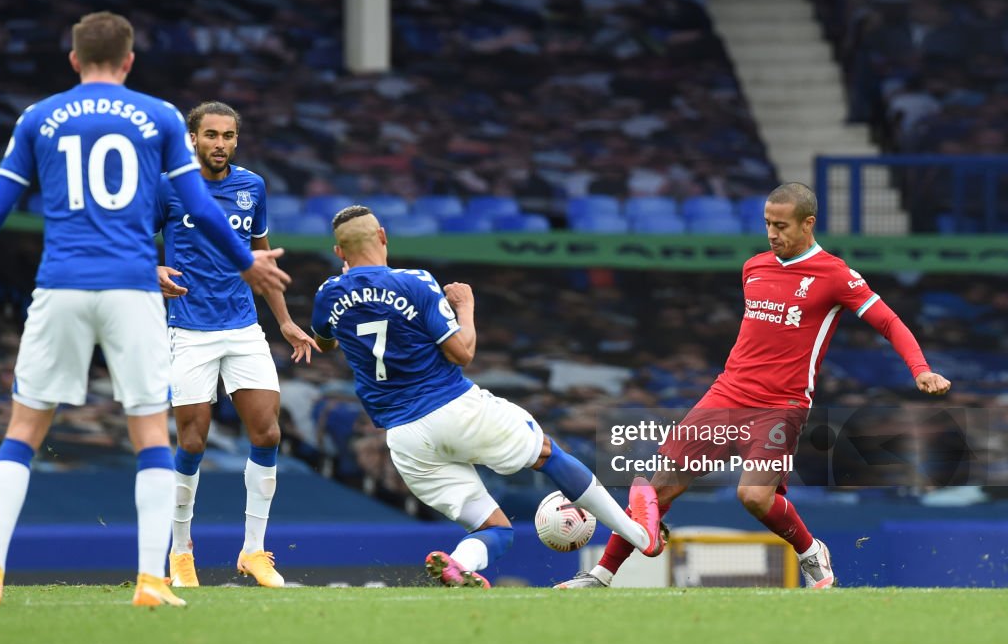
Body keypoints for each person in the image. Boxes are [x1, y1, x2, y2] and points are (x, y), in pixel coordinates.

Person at [0, 12, 291, 608]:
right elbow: (201, 210)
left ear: (74, 60)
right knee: (153, 434)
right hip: (131, 289)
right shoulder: (160, 117)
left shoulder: (37, 117)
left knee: (22, 431)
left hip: (61, 284)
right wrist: (247, 261)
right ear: (128, 61)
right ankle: (153, 582)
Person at [557, 182, 951, 589]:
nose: (772, 233)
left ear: (808, 224)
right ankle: (601, 576)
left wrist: (920, 368)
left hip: (781, 405)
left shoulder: (834, 275)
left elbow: (888, 321)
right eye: (767, 224)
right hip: (727, 394)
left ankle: (811, 551)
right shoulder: (754, 267)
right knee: (657, 490)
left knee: (754, 497)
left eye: (781, 225)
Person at [310, 205, 663, 588]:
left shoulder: (328, 294)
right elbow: (462, 352)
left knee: (494, 528)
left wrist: (351, 294)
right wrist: (465, 306)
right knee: (546, 453)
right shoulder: (415, 282)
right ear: (382, 235)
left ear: (339, 252)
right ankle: (642, 537)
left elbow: (325, 342)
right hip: (453, 407)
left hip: (404, 438)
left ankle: (459, 564)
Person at [153, 101, 318, 589]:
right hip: (189, 329)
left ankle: (253, 551)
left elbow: (262, 262)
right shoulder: (169, 187)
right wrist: (151, 268)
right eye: (211, 135)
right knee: (192, 442)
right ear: (193, 138)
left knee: (267, 435)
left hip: (244, 328)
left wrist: (284, 321)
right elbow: (134, 242)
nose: (220, 143)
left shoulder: (253, 187)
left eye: (228, 135)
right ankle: (181, 554)